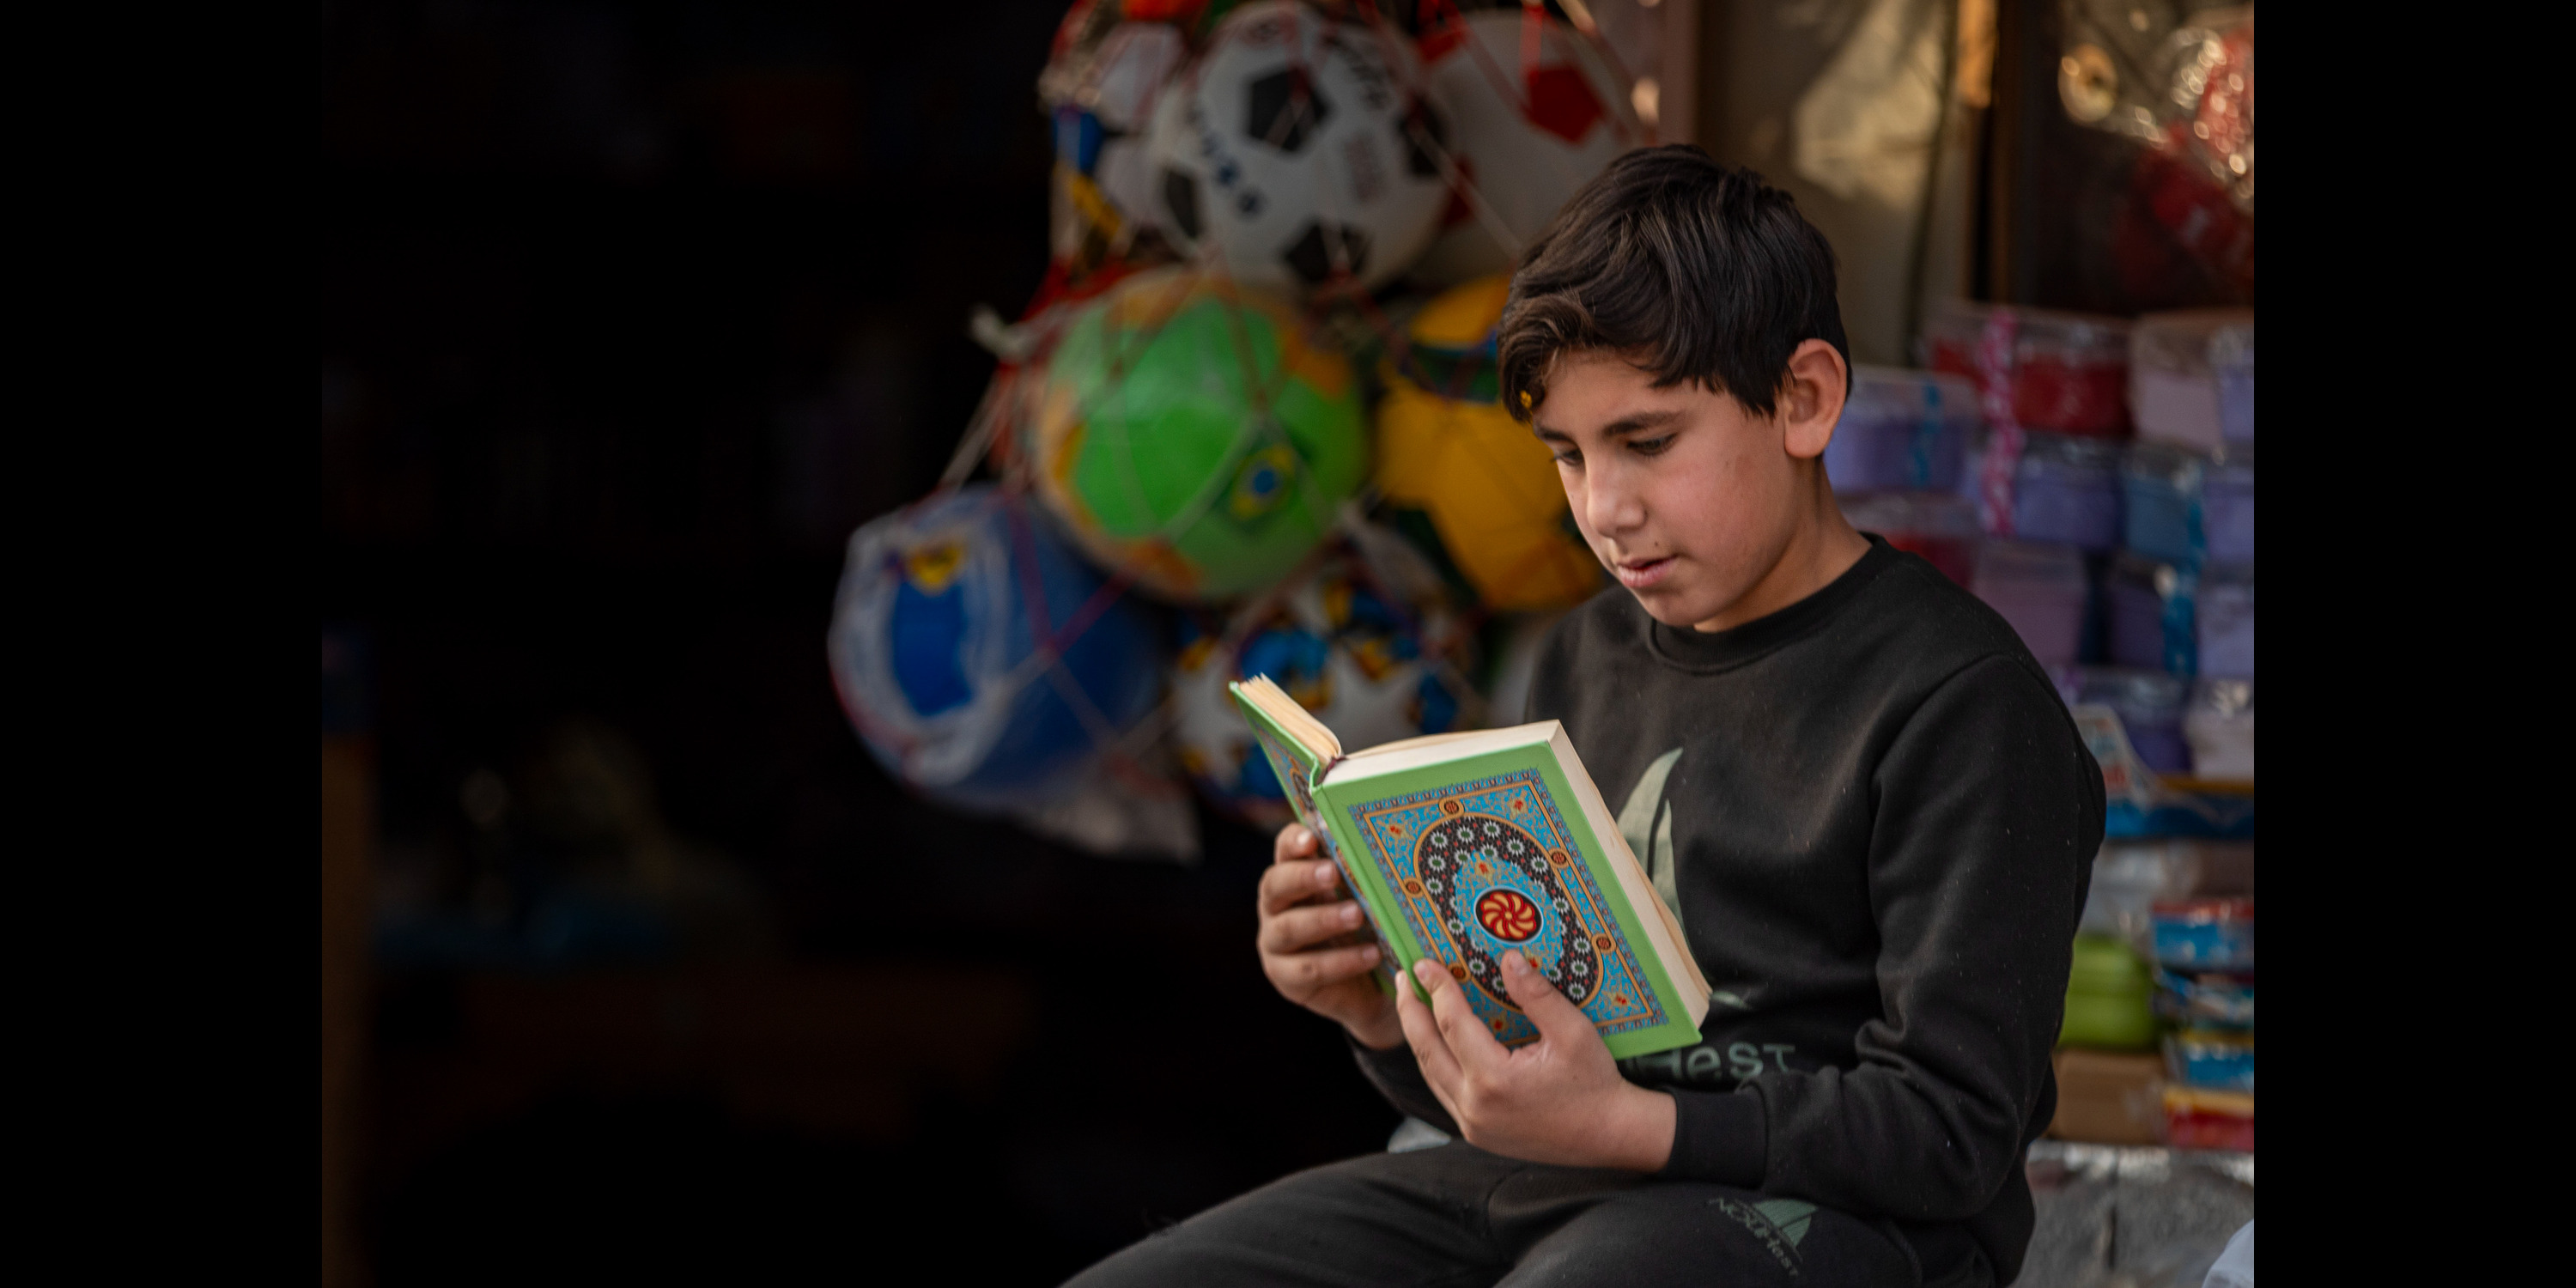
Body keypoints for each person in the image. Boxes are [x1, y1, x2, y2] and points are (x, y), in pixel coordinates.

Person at [1066, 145, 2104, 1288]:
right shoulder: (1587, 653)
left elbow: (1954, 1134)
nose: (1606, 509)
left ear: (1804, 399)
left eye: (1648, 441)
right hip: (1571, 1189)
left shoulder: (1961, 703)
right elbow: (1544, 1078)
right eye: (1567, 455)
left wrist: (1630, 1129)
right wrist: (1375, 1009)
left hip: (1840, 1226)